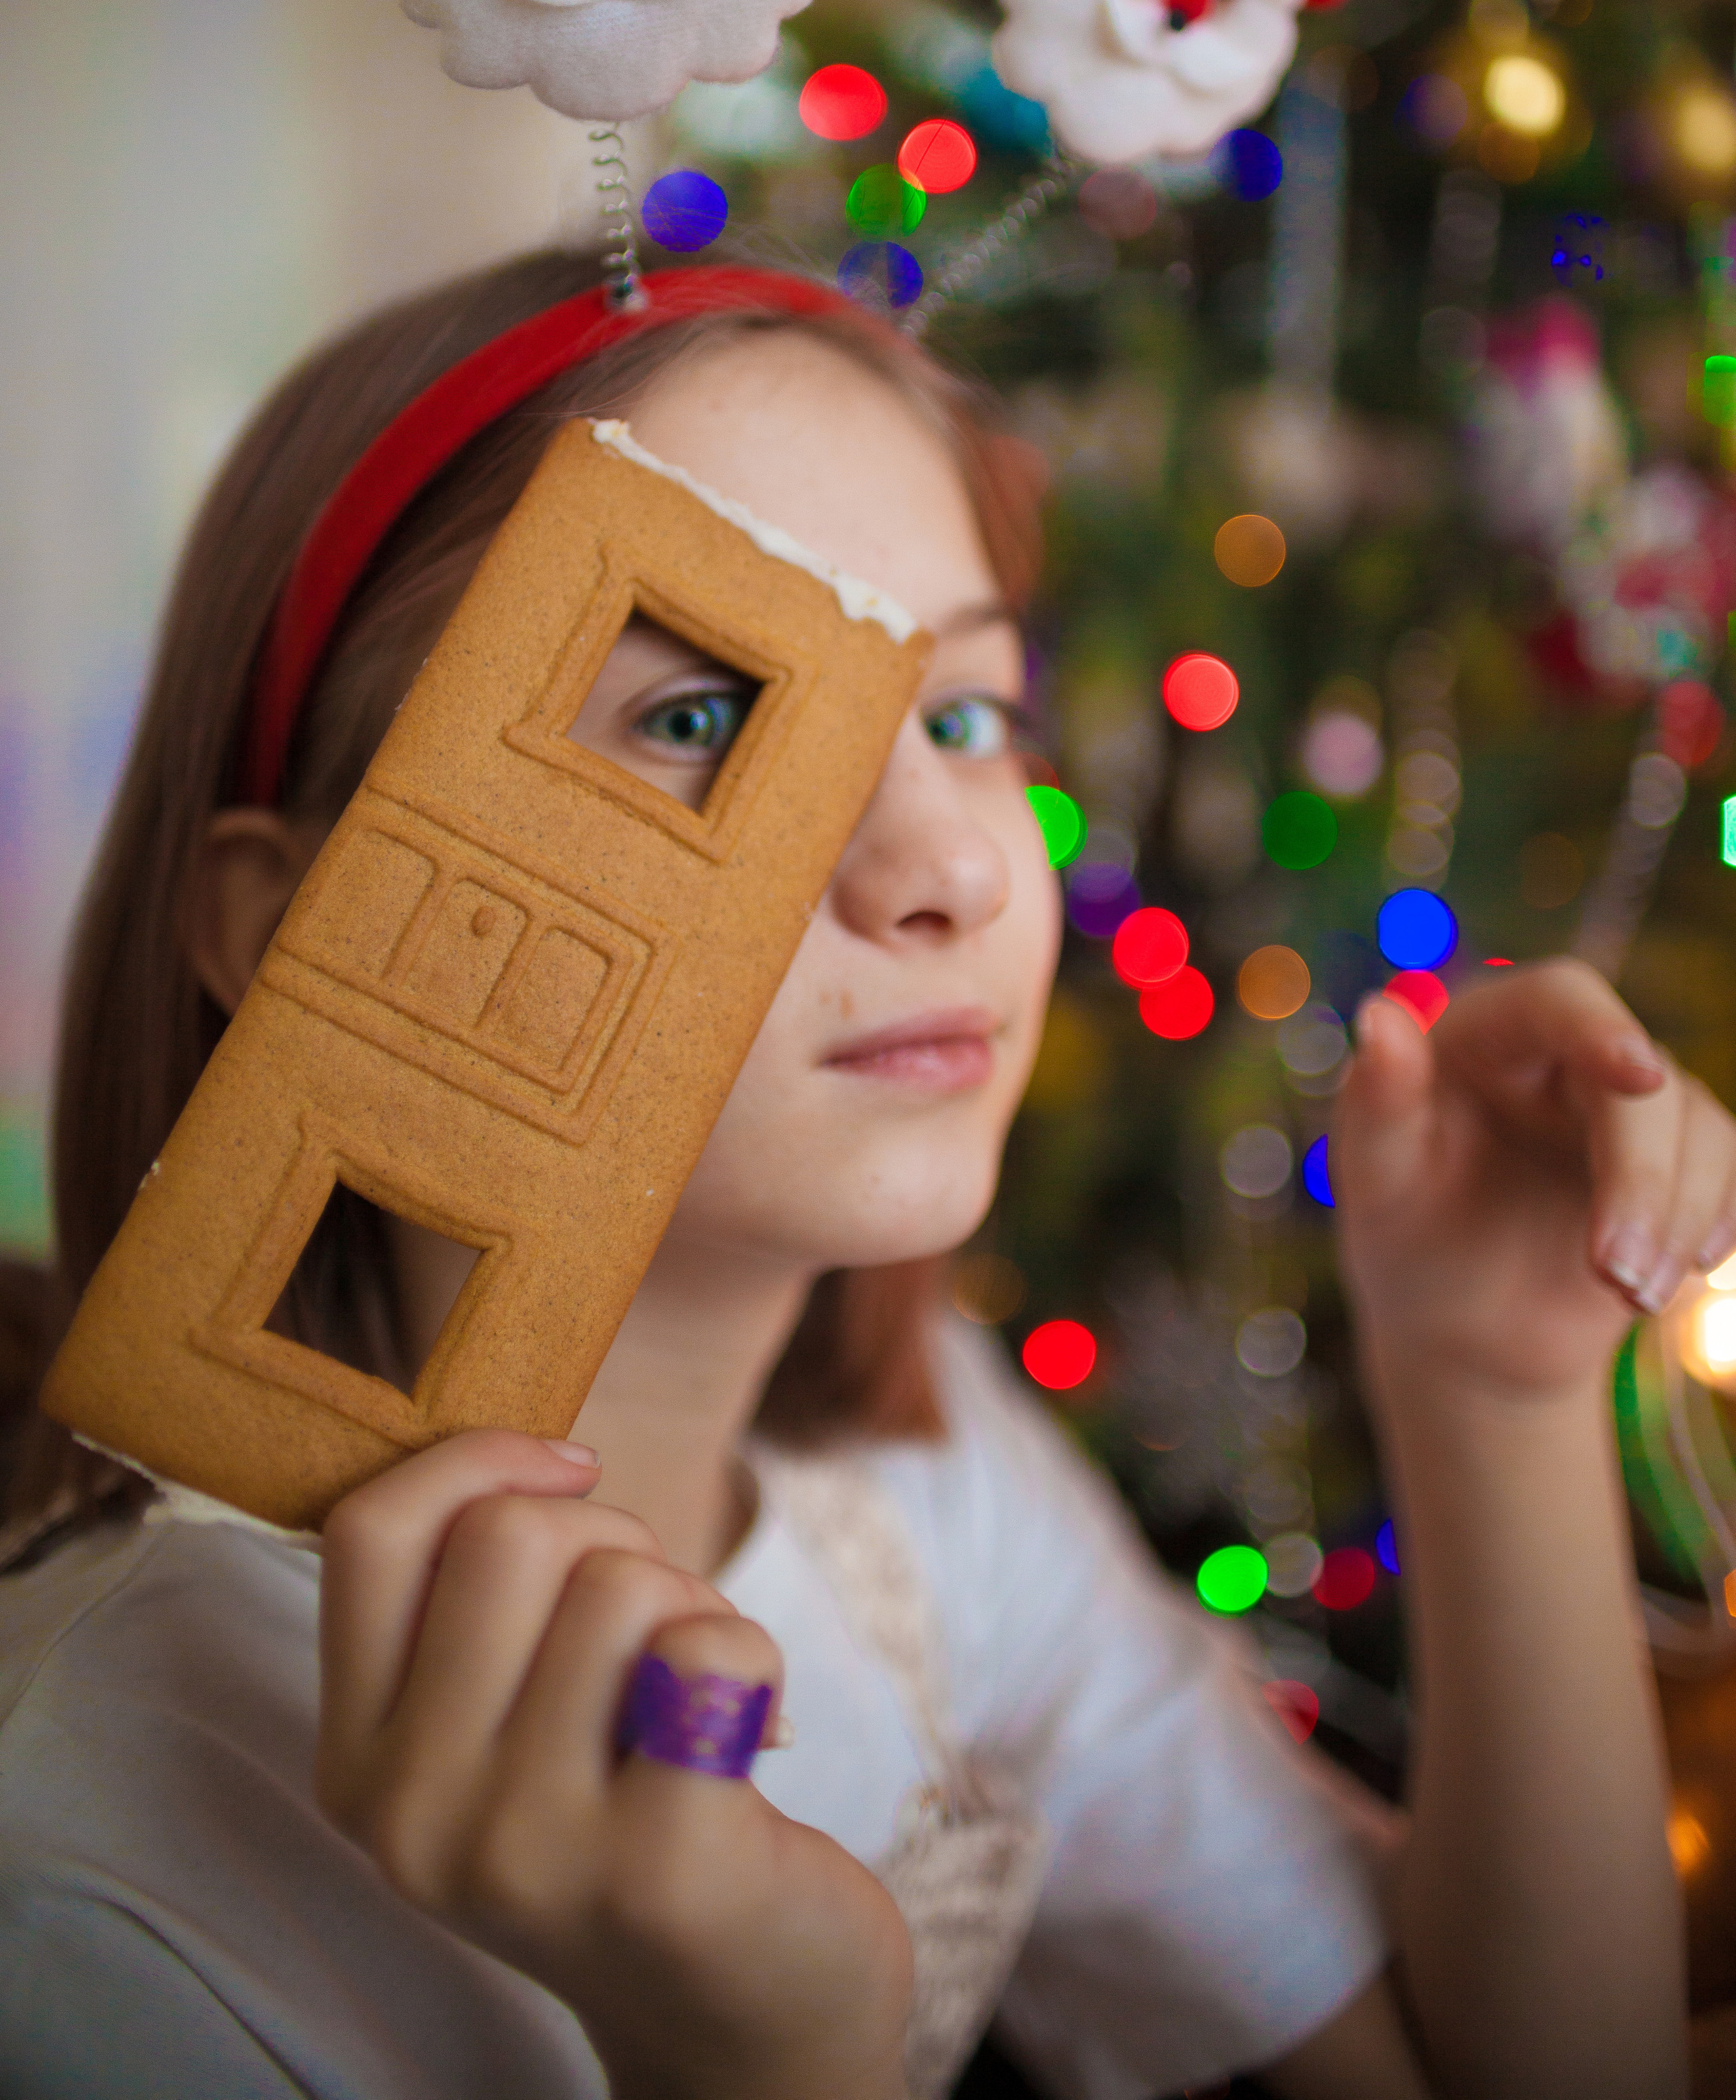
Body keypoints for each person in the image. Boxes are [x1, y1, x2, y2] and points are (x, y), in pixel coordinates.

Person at [0, 246, 1704, 2100]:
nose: (950, 867)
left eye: (967, 715)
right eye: (698, 719)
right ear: (300, 925)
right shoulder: (96, 1854)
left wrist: (1498, 1386)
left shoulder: (926, 1496)